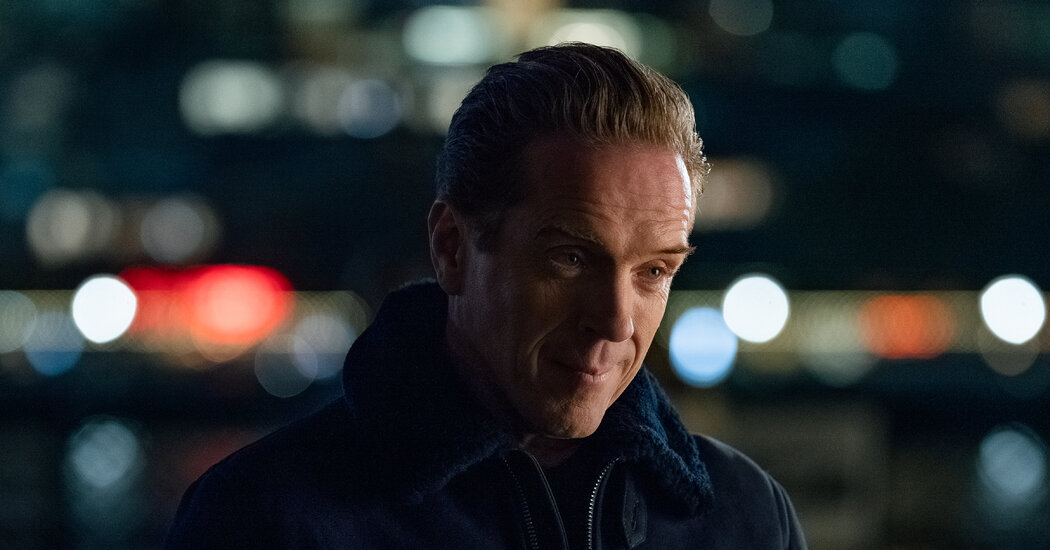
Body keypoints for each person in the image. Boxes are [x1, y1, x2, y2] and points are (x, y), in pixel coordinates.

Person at [165, 42, 807, 549]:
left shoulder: (746, 514)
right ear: (452, 248)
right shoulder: (266, 516)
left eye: (655, 272)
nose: (616, 321)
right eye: (571, 258)